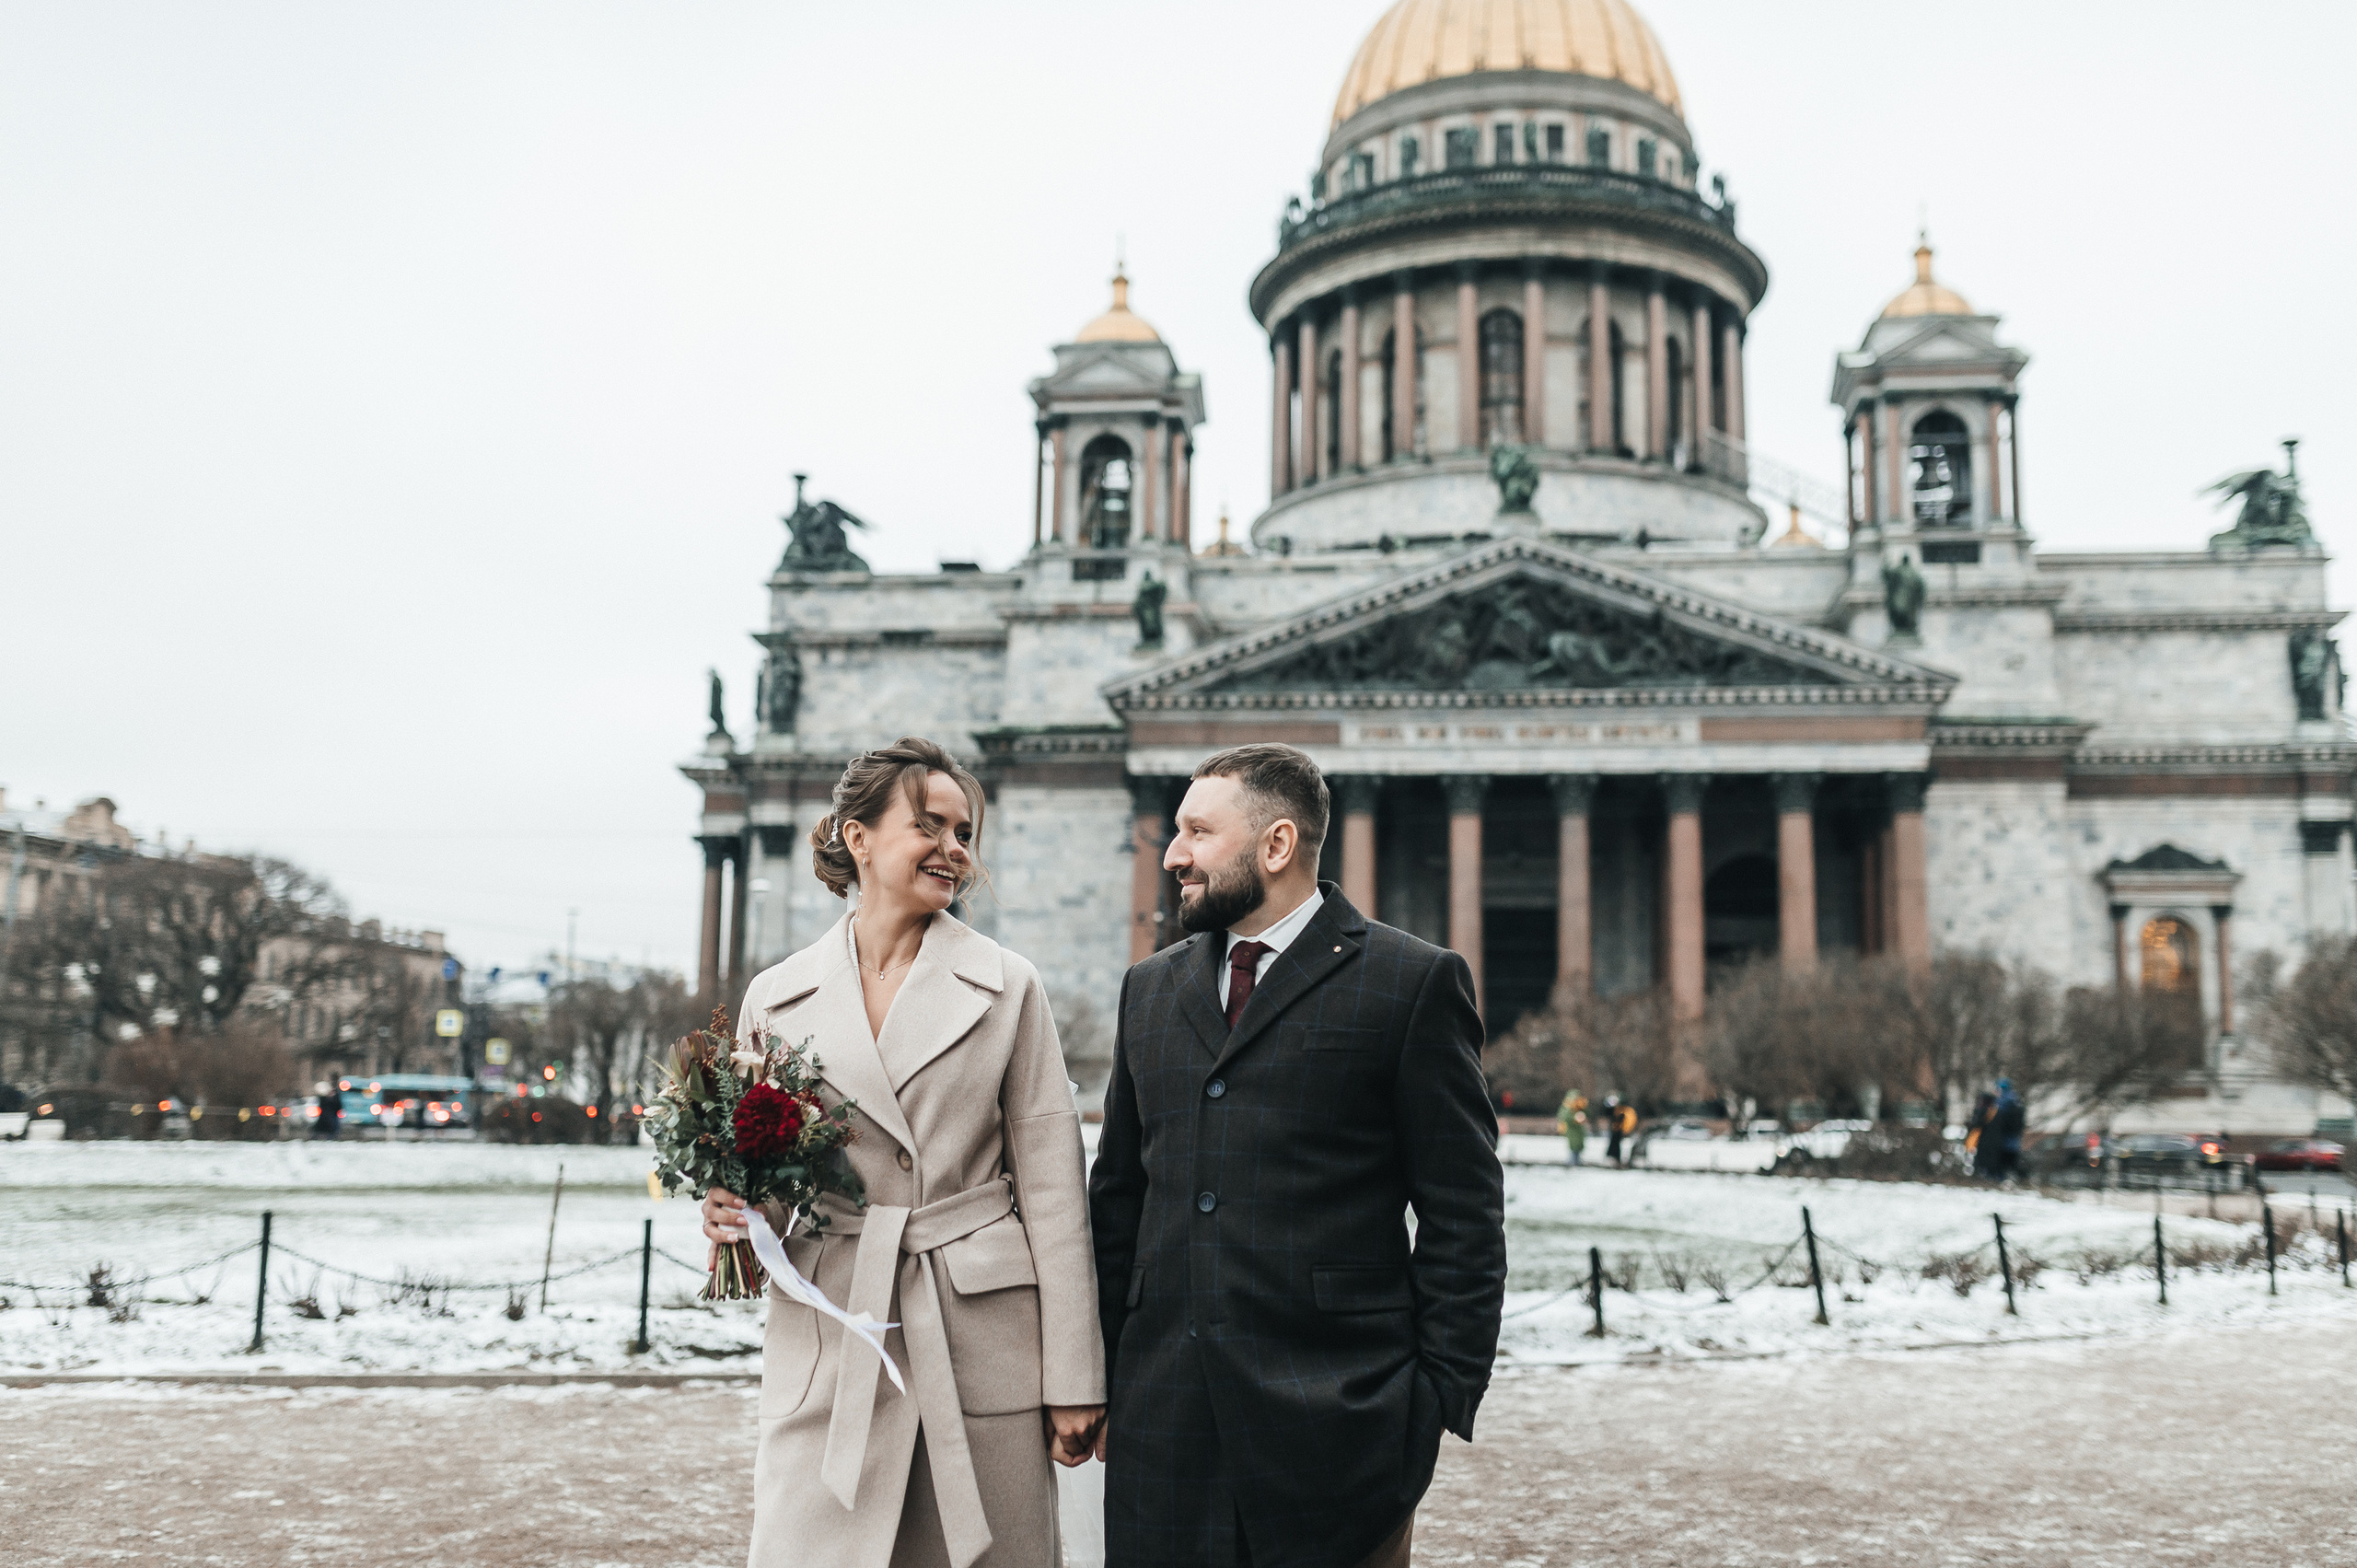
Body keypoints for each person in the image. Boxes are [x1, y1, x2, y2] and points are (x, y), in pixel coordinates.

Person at [1089, 744, 1507, 1568]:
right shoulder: (1150, 987)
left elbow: (1464, 1211)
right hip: (1164, 1433)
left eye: (1197, 832)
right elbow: (1118, 1201)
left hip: (1342, 1436)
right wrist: (1099, 1377)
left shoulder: (1411, 983)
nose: (1171, 853)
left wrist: (1431, 1402)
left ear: (1276, 845)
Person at [701, 737, 1104, 1568]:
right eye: (931, 825)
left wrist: (1075, 1375)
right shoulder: (775, 995)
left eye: (964, 833)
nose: (955, 850)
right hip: (836, 1322)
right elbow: (769, 1174)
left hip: (979, 1335)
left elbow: (1057, 1192)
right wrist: (733, 1210)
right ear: (859, 837)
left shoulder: (1007, 984)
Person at [1990, 1078, 2026, 1184]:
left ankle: (2001, 1180)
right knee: (2012, 1162)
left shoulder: (2002, 1102)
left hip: (2003, 1140)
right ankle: (2013, 1179)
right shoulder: (2016, 1100)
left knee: (2003, 1162)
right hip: (2014, 1141)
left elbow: (1997, 1121)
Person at [1558, 1090, 1588, 1167]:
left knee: (1578, 1145)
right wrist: (1575, 1118)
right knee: (1573, 1145)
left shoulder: (1579, 1106)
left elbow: (1587, 1113)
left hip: (1578, 1130)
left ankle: (1576, 1161)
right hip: (1572, 1130)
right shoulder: (1567, 1106)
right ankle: (1572, 1162)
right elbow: (1564, 1117)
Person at [1602, 1094, 1625, 1167]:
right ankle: (1612, 1158)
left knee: (1616, 1145)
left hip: (1618, 1130)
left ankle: (1615, 1159)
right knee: (1613, 1144)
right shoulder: (1614, 1110)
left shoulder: (1622, 1111)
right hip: (1615, 1130)